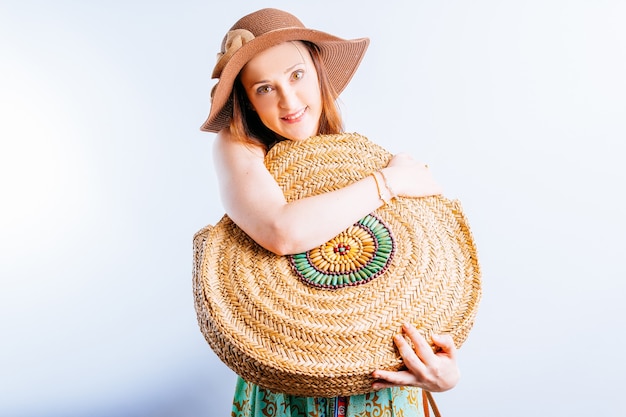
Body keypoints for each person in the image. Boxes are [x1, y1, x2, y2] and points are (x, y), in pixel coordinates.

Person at [201, 8, 460, 417]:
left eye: (296, 75)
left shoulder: (349, 156)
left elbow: (416, 283)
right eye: (264, 88)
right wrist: (389, 182)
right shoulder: (239, 147)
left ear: (318, 70)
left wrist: (444, 376)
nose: (288, 100)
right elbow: (281, 230)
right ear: (247, 102)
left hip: (379, 385)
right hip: (293, 382)